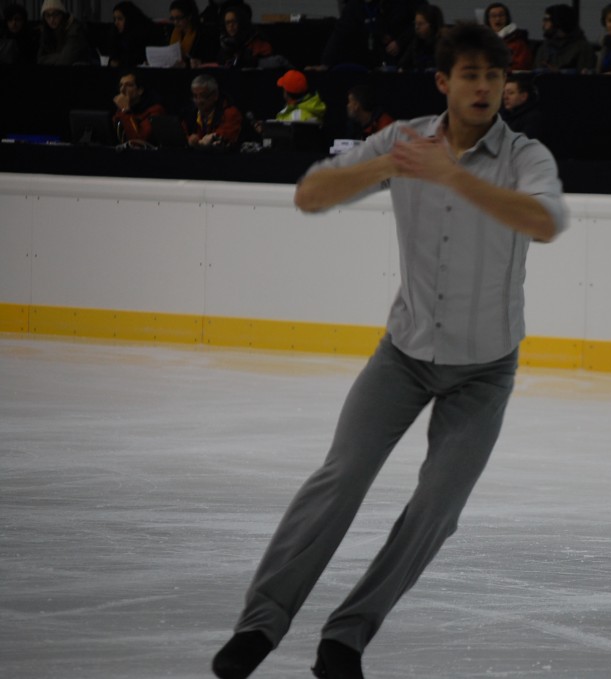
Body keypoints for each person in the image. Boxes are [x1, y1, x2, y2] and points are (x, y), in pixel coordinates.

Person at [210, 20, 568, 679]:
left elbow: (546, 221)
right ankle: (260, 624)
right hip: (401, 356)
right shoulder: (401, 140)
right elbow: (310, 193)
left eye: (495, 76)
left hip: (484, 372)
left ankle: (345, 637)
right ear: (443, 83)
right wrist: (391, 164)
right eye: (471, 74)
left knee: (437, 507)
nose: (485, 86)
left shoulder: (527, 157)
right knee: (339, 480)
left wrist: (455, 177)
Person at [319, 0, 418, 71]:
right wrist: (325, 64)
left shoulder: (402, 4)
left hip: (404, 56)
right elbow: (339, 34)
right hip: (373, 60)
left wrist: (400, 42)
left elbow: (422, 20)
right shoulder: (355, 6)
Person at [184, 73, 242, 147]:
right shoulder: (189, 113)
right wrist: (189, 139)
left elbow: (228, 135)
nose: (198, 101)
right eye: (195, 96)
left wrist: (213, 137)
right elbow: (181, 135)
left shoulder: (230, 113)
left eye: (203, 96)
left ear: (215, 95)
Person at [535, 4, 595, 73]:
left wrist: (560, 72)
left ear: (558, 22)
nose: (543, 25)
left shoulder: (582, 48)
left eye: (547, 20)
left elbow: (585, 77)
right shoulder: (544, 47)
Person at [111, 70, 166, 144]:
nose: (122, 89)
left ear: (140, 90)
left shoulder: (155, 110)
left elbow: (138, 141)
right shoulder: (121, 109)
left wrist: (126, 111)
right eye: (121, 85)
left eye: (129, 85)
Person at [37, 0, 96, 65]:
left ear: (62, 14)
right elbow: (40, 59)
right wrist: (59, 56)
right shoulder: (47, 31)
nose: (51, 19)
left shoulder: (74, 29)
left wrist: (49, 58)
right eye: (47, 15)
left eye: (55, 14)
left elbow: (65, 60)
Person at [216, 2, 273, 68]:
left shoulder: (258, 43)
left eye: (234, 21)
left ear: (242, 22)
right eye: (227, 23)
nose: (231, 26)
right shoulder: (225, 45)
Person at [107, 1, 163, 67]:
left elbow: (135, 59)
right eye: (114, 19)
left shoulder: (144, 34)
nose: (116, 23)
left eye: (120, 19)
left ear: (129, 19)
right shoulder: (117, 36)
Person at [167, 0, 217, 67]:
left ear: (189, 16)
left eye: (179, 18)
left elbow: (207, 58)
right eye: (173, 18)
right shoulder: (172, 33)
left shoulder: (202, 34)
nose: (175, 22)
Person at [484, 2, 532, 71]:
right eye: (493, 16)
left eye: (501, 15)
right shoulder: (482, 42)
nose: (497, 19)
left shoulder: (518, 42)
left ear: (507, 18)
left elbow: (522, 66)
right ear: (488, 20)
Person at [397, 3, 444, 72]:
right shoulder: (416, 42)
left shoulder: (444, 43)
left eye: (420, 24)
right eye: (415, 24)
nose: (416, 27)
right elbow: (403, 63)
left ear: (432, 25)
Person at [501, 72, 542, 138]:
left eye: (511, 93)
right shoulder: (504, 114)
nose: (505, 97)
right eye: (504, 93)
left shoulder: (533, 118)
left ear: (523, 96)